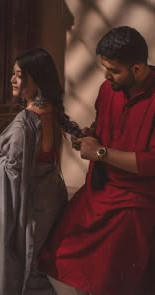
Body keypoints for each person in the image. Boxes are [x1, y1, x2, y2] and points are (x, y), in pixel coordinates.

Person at [38, 26, 155, 295]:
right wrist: (90, 135)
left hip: (138, 199)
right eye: (104, 68)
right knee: (57, 254)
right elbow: (103, 125)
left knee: (110, 274)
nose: (106, 76)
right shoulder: (108, 88)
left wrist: (101, 153)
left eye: (114, 70)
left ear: (137, 69)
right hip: (99, 189)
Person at [0, 48, 82, 295]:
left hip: (32, 202)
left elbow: (13, 171)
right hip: (51, 197)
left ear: (34, 79)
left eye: (18, 75)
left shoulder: (25, 122)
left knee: (25, 267)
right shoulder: (49, 109)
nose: (12, 80)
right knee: (38, 265)